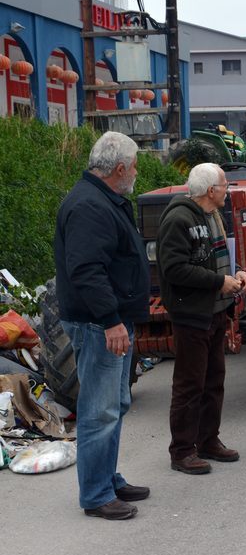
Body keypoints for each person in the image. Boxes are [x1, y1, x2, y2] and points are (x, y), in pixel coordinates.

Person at [53, 131, 150, 520]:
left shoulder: (104, 198)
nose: (137, 174)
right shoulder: (90, 205)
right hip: (98, 324)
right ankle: (95, 494)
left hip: (109, 320)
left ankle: (108, 478)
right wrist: (111, 321)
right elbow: (87, 270)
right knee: (99, 410)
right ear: (121, 168)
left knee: (116, 404)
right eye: (136, 168)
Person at [156, 163, 246, 475]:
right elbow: (173, 269)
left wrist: (236, 273)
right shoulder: (178, 218)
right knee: (189, 385)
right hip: (191, 315)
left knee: (213, 382)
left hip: (215, 312)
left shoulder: (212, 215)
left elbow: (218, 257)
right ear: (211, 190)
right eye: (225, 185)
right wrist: (217, 281)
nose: (229, 190)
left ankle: (208, 440)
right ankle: (182, 451)